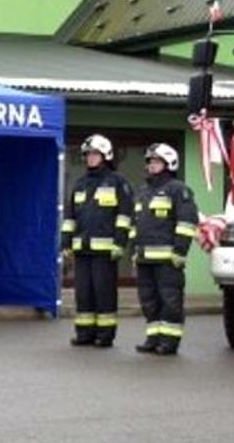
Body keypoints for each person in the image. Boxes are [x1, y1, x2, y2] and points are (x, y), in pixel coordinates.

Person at [63, 134, 133, 348]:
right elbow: (70, 217)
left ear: (106, 156)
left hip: (105, 251)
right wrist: (65, 243)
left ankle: (105, 334)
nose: (90, 158)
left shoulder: (118, 182)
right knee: (83, 294)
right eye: (88, 155)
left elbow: (124, 216)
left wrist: (119, 243)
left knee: (104, 293)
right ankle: (84, 333)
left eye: (95, 154)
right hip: (82, 250)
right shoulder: (80, 184)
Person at [132, 144, 197, 356]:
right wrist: (135, 250)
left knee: (170, 300)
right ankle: (153, 337)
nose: (152, 165)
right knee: (149, 300)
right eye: (150, 161)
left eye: (157, 161)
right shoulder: (143, 191)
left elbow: (187, 223)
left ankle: (169, 341)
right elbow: (136, 225)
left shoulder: (178, 190)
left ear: (169, 163)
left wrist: (180, 252)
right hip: (144, 258)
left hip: (168, 259)